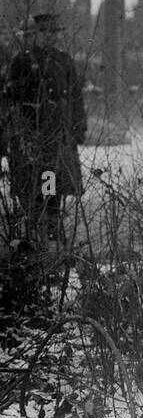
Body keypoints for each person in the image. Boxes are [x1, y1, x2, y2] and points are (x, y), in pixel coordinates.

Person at [2, 13, 86, 246]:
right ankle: (37, 237)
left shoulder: (64, 60)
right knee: (33, 190)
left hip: (58, 137)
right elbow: (11, 96)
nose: (52, 37)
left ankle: (52, 233)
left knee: (53, 187)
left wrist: (78, 128)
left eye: (55, 33)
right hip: (32, 139)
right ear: (36, 35)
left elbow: (76, 96)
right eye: (47, 33)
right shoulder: (23, 62)